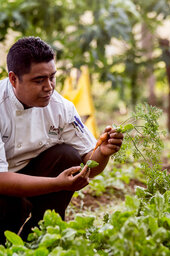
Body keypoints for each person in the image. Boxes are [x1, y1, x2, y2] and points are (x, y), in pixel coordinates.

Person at [0, 37, 123, 244]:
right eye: (39, 80)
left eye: (52, 77)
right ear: (13, 79)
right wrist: (56, 184)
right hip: (4, 186)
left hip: (32, 175)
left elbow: (89, 164)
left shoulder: (60, 107)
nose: (49, 87)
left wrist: (103, 151)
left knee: (66, 156)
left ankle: (42, 236)